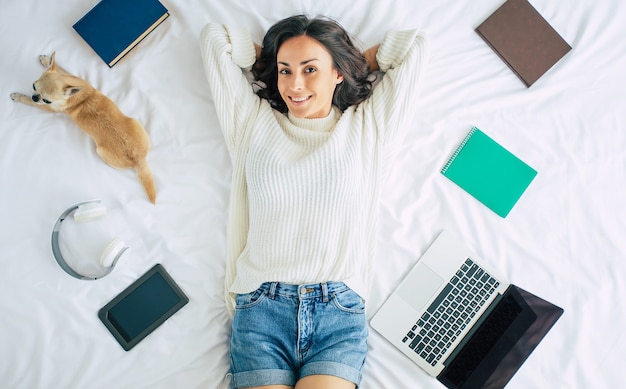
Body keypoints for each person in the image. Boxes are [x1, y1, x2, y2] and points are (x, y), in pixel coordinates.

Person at [200, 14, 427, 389]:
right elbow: (214, 37)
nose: (295, 85)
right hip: (261, 310)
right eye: (285, 71)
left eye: (310, 70)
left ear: (337, 72)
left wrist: (350, 63)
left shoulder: (367, 128)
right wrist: (271, 61)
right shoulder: (252, 123)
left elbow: (414, 46)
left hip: (337, 313)